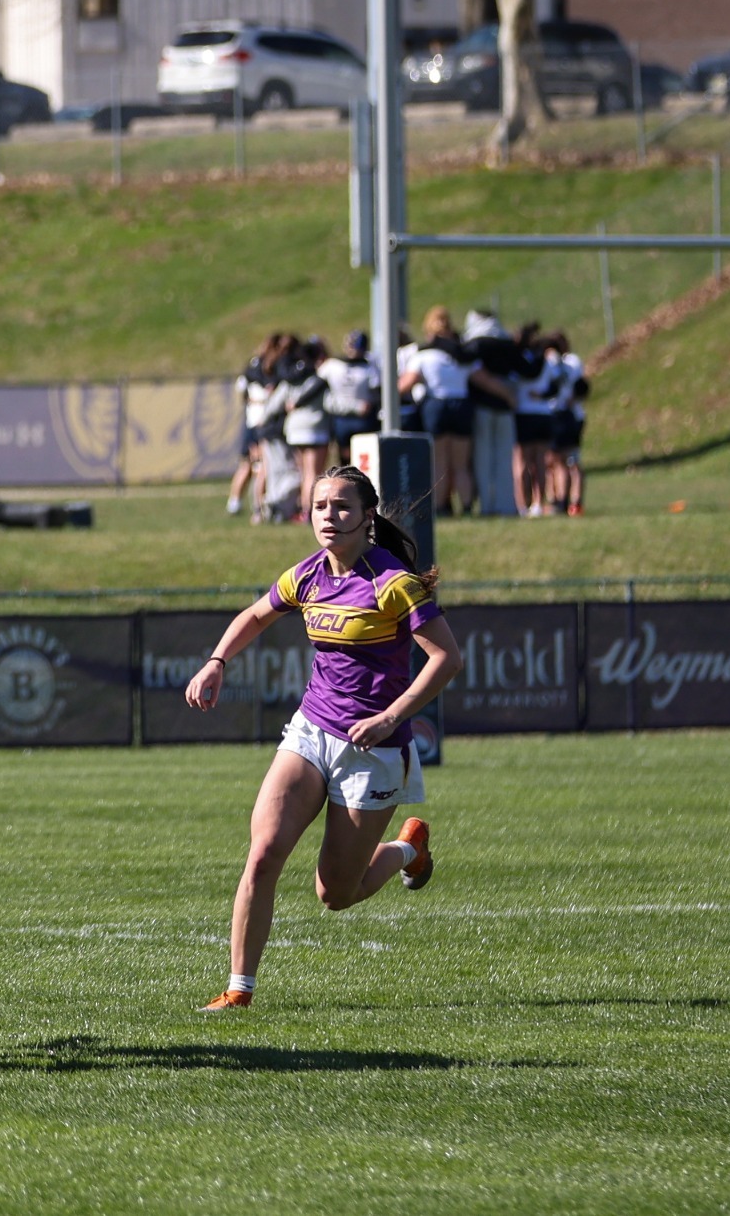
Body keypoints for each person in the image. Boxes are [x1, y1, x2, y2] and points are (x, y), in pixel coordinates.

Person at [184, 465, 461, 1011]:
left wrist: (391, 716)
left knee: (335, 893)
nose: (328, 516)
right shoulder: (307, 574)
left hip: (373, 749)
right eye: (319, 506)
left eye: (341, 506)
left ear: (366, 516)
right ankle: (239, 990)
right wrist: (217, 661)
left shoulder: (393, 583)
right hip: (311, 731)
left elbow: (446, 658)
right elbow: (256, 615)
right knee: (263, 853)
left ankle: (408, 849)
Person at [399, 306, 512, 515]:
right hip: (461, 406)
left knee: (439, 462)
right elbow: (485, 380)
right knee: (460, 463)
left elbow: (406, 384)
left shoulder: (423, 354)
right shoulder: (463, 356)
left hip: (436, 407)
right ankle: (467, 505)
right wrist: (508, 395)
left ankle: (440, 506)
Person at [269, 336, 332, 511]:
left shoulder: (292, 376)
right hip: (315, 428)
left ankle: (304, 508)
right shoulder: (318, 378)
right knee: (313, 473)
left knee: (304, 472)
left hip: (294, 429)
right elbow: (331, 403)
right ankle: (309, 509)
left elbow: (275, 403)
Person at [508, 323, 560, 517]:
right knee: (540, 461)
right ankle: (538, 503)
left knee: (522, 461)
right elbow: (556, 385)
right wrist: (543, 395)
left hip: (524, 414)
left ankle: (523, 504)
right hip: (543, 414)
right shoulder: (546, 359)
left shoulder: (517, 359)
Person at [228, 337, 280, 517]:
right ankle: (258, 507)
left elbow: (241, 389)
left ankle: (235, 502)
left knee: (247, 465)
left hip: (252, 421)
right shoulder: (267, 368)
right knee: (260, 466)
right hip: (261, 422)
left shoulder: (251, 366)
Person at [319, 329, 380, 467]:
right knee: (346, 458)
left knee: (362, 459)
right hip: (342, 418)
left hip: (361, 420)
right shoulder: (332, 365)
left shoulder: (368, 367)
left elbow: (377, 391)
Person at [546, 332, 588, 517]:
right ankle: (575, 502)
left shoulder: (552, 362)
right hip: (575, 416)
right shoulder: (573, 361)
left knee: (557, 462)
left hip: (559, 415)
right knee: (572, 461)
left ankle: (559, 500)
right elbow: (582, 386)